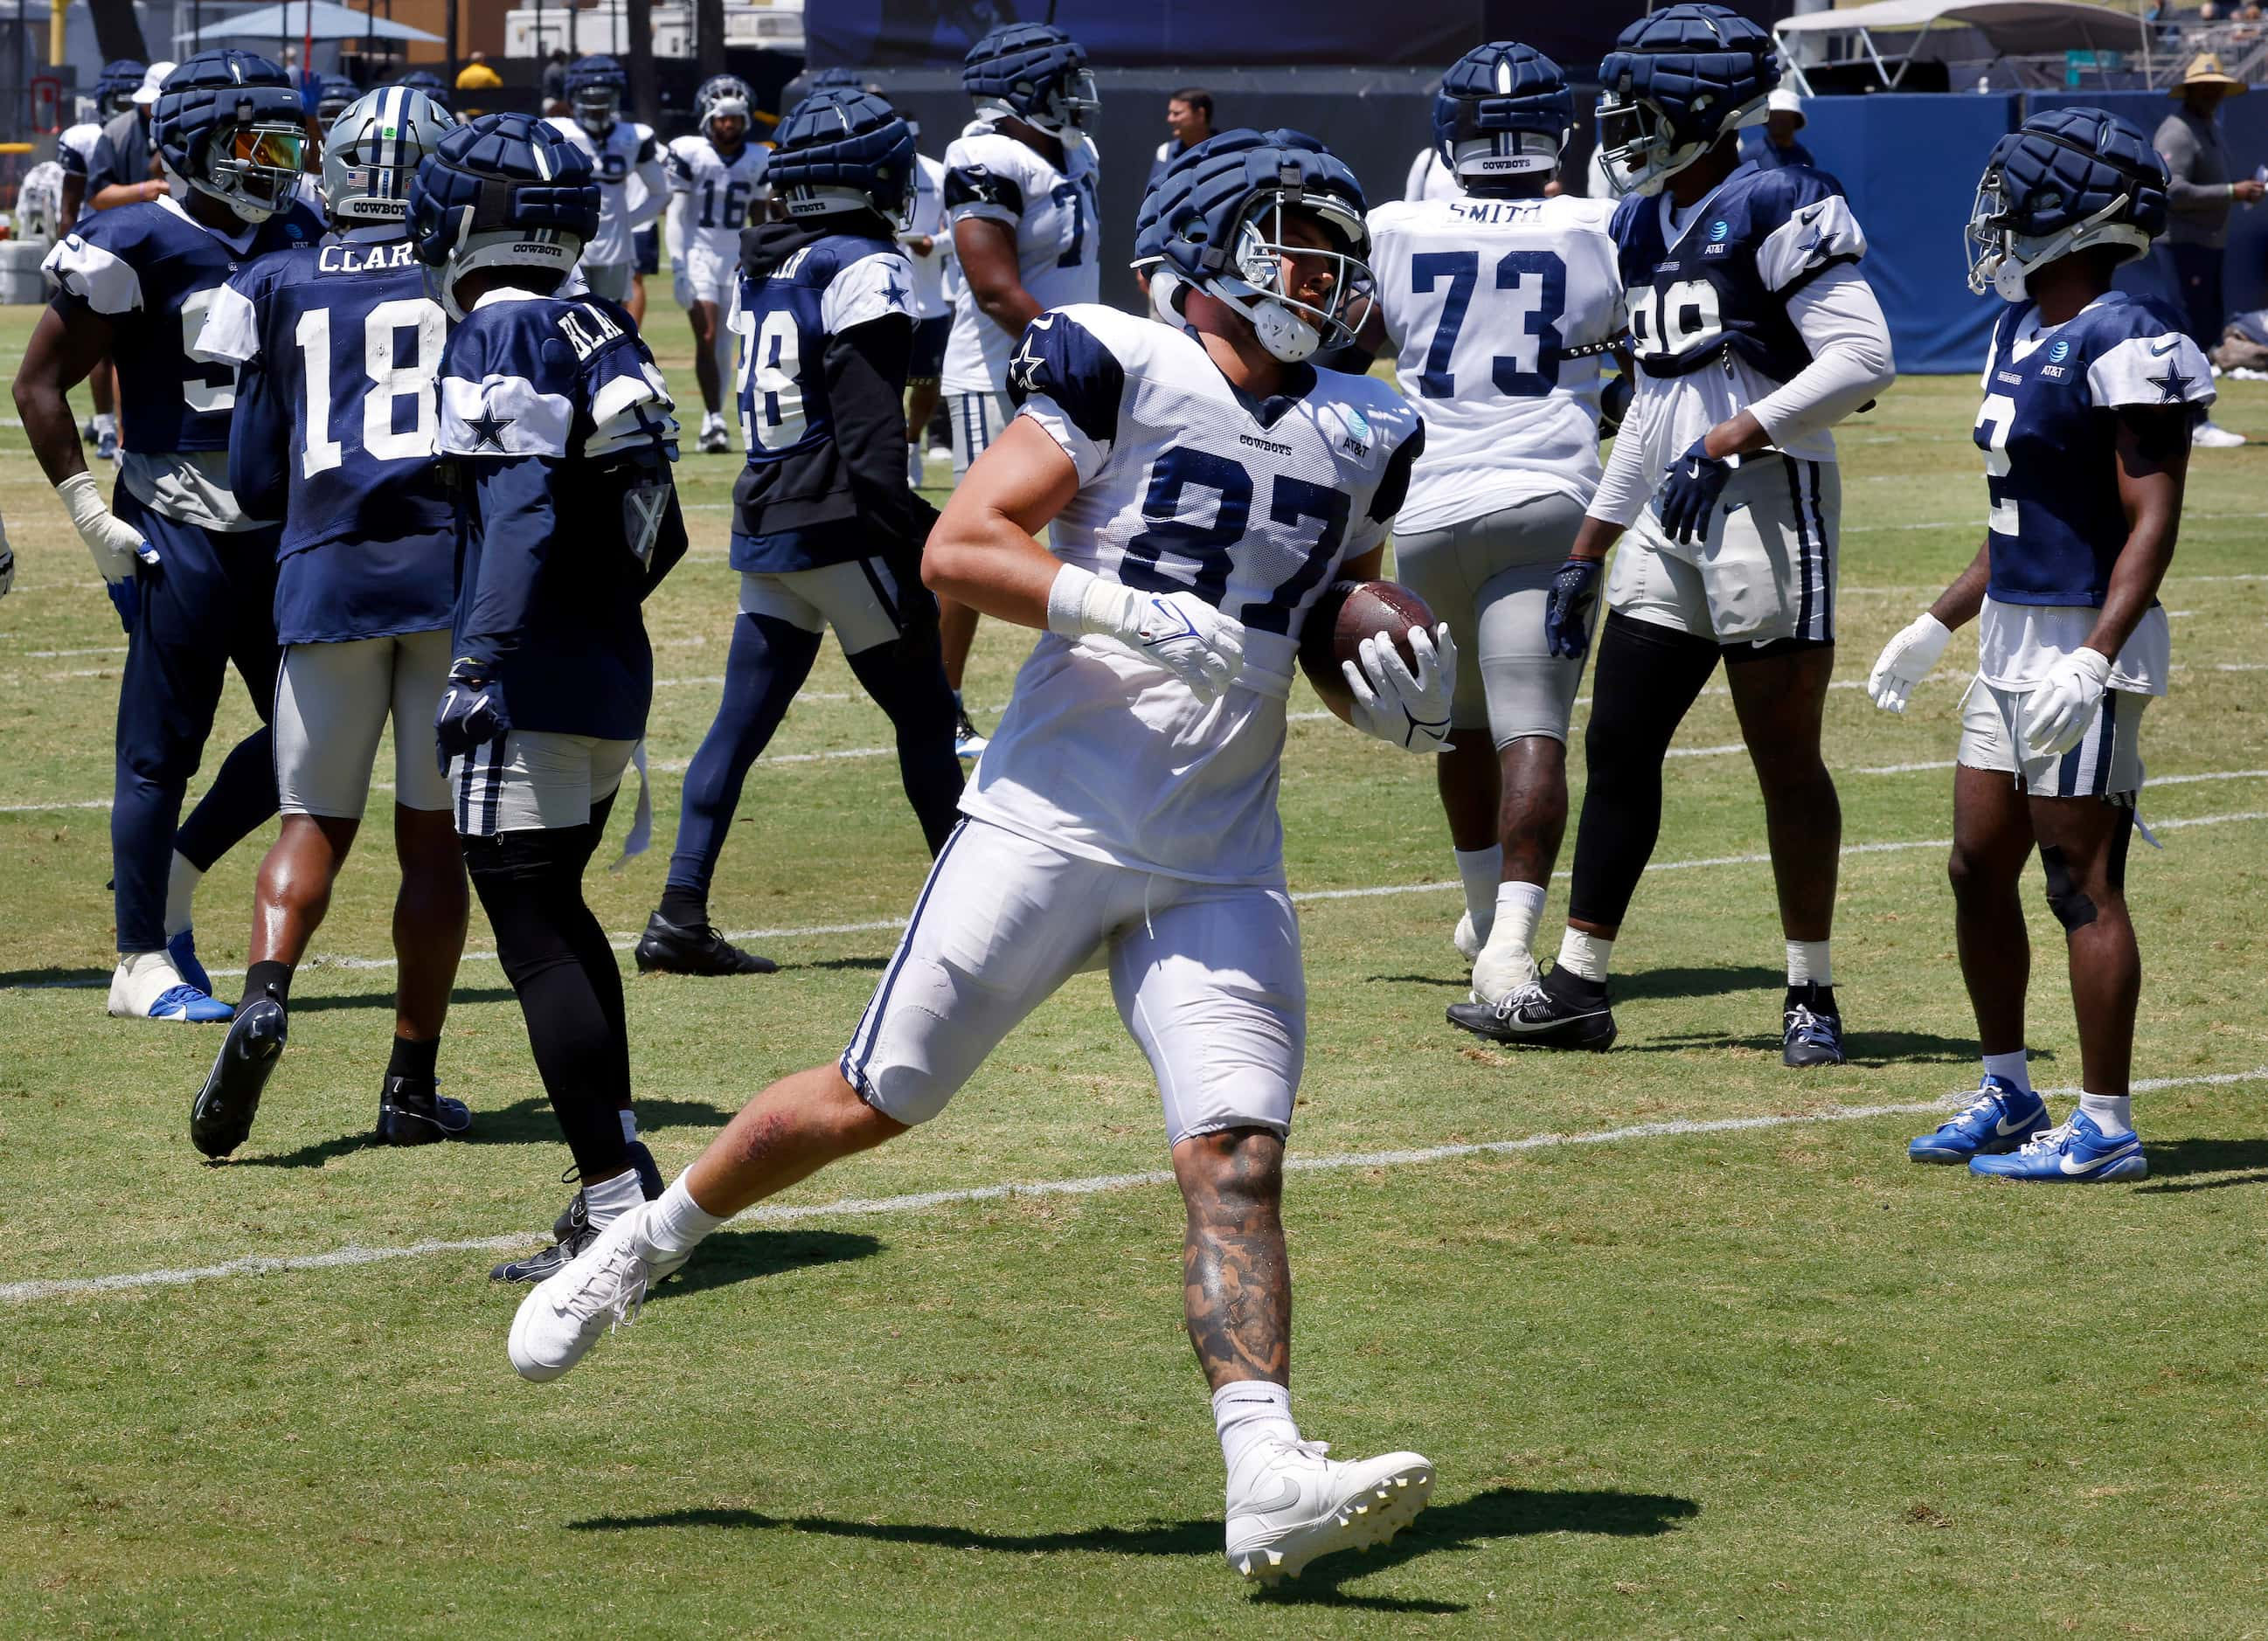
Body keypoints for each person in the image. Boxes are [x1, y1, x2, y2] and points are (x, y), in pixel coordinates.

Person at [509, 127, 1447, 1586]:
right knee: (878, 1096)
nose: (1333, 278)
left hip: (1218, 850)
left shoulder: (1372, 425)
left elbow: (1324, 610)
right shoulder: (1117, 357)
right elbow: (962, 547)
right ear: (1220, 251)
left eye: (1340, 251)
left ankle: (1264, 1466)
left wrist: (1377, 682)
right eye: (1304, 243)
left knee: (1239, 1157)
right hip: (1048, 821)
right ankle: (649, 1240)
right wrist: (1122, 609)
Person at [1482, 3, 1897, 1063]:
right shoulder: (1637, 224)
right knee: (1619, 744)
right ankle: (1579, 983)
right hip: (1673, 514)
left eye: (1640, 103)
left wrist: (1733, 440)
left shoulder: (1781, 196)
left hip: (1766, 504)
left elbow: (1861, 361)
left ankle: (1810, 989)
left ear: (1704, 108)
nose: (1618, 122)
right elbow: (1651, 407)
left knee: (1783, 760)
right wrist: (1590, 545)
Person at [1876, 109, 2198, 1184]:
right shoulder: (2017, 331)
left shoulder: (2130, 334)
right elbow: (2018, 518)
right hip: (2012, 629)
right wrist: (1938, 620)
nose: (1997, 221)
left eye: (2014, 200)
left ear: (2073, 216)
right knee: (1977, 865)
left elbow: (2150, 520)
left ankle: (2105, 1125)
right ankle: (2011, 1089)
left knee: (2079, 879)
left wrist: (2097, 656)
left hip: (2082, 639)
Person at [405, 111, 688, 1279]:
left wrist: (480, 661)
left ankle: (614, 1205)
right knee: (562, 919)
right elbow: (657, 524)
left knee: (533, 934)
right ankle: (626, 1175)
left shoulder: (500, 329)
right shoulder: (597, 320)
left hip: (529, 674)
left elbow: (518, 510)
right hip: (608, 663)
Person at [184, 85, 472, 1158]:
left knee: (310, 821)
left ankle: (264, 994)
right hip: (447, 580)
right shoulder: (465, 279)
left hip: (324, 581)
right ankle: (408, 1083)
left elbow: (255, 477)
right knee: (431, 843)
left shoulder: (274, 276)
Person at [12, 51, 324, 1024]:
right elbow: (37, 384)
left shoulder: (305, 228)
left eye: (286, 136)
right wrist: (88, 514)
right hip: (177, 520)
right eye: (256, 139)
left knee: (310, 743)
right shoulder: (133, 237)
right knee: (158, 753)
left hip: (285, 530)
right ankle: (137, 960)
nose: (278, 158)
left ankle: (177, 873)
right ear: (195, 146)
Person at [635, 89, 962, 977]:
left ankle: (678, 913)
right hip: (838, 522)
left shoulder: (772, 259)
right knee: (929, 716)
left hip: (771, 515)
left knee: (736, 731)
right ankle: (973, 920)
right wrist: (916, 533)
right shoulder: (864, 264)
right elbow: (867, 432)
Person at [1353, 44, 1624, 1012]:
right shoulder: (1602, 224)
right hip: (1547, 495)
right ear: (1561, 127)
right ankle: (1509, 951)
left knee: (1458, 728)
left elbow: (1361, 336)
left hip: (1426, 504)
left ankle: (1484, 921)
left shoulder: (1394, 224)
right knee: (1533, 731)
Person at [938, 21, 1103, 758]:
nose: (1077, 96)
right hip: (1001, 371)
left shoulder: (1074, 149)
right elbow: (994, 289)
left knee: (1096, 527)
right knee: (977, 546)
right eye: (1061, 82)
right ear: (1023, 90)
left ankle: (1090, 690)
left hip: (1069, 366)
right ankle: (937, 703)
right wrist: (1076, 352)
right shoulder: (982, 155)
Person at [2154, 52, 2258, 447]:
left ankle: (2194, 417)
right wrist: (2233, 192)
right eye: (2208, 87)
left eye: (2219, 88)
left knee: (2206, 328)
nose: (2215, 94)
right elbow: (2171, 189)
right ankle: (2194, 421)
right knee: (2189, 331)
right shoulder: (2178, 131)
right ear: (2193, 91)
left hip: (2206, 244)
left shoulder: (2206, 127)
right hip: (2184, 245)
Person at [664, 73, 769, 454]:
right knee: (707, 335)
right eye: (723, 117)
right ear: (707, 117)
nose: (729, 125)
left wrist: (763, 257)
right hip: (698, 254)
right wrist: (678, 266)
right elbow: (675, 213)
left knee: (728, 342)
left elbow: (760, 215)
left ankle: (717, 420)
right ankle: (713, 416)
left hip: (736, 259)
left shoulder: (759, 157)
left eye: (736, 118)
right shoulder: (690, 151)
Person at [546, 56, 664, 307]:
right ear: (573, 98)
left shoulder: (633, 136)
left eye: (603, 98)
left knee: (611, 317)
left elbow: (662, 193)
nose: (597, 106)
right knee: (567, 313)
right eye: (590, 98)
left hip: (615, 247)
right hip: (570, 243)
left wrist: (627, 221)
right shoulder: (557, 131)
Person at [899, 118, 952, 487]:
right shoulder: (868, 170)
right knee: (882, 382)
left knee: (927, 382)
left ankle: (911, 441)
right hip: (879, 293)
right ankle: (888, 450)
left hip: (928, 294)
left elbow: (961, 227)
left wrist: (935, 244)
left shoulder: (939, 173)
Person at [84, 61, 173, 212]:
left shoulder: (198, 129)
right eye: (154, 103)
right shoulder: (118, 131)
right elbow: (96, 197)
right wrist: (143, 191)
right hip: (132, 228)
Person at [1146, 86, 1214, 195]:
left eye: (1177, 114)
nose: (1170, 119)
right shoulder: (1165, 152)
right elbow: (1153, 198)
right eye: (1170, 113)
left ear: (1200, 115)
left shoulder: (1225, 151)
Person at [1743, 87, 1814, 171]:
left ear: (1796, 120)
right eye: (1774, 115)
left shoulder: (1805, 156)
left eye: (1784, 116)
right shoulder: (1749, 157)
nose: (1778, 121)